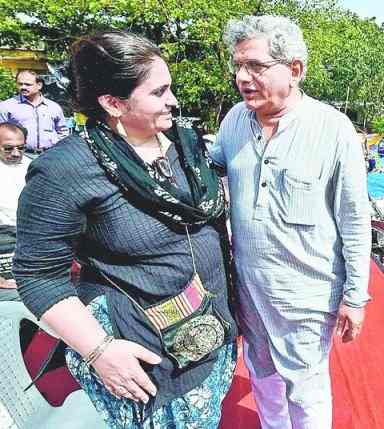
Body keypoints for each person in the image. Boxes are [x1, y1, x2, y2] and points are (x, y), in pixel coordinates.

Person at [12, 31, 237, 428]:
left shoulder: (185, 144)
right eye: (159, 92)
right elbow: (36, 275)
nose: (173, 101)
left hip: (210, 338)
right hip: (145, 361)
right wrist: (99, 351)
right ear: (113, 103)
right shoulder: (65, 171)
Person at [210, 16, 371, 429]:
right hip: (248, 288)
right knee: (261, 373)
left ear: (294, 70)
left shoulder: (332, 129)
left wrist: (355, 297)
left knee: (306, 387)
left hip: (305, 293)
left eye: (256, 66)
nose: (242, 77)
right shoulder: (233, 121)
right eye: (238, 66)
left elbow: (354, 219)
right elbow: (206, 175)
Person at [0, 69, 69, 153]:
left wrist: (57, 150)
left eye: (28, 84)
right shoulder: (7, 106)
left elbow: (63, 132)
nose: (23, 87)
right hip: (21, 156)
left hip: (49, 156)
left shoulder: (54, 107)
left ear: (39, 85)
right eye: (20, 84)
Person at [0, 121, 30, 296]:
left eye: (21, 147)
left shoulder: (34, 166)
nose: (16, 153)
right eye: (8, 148)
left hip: (29, 243)